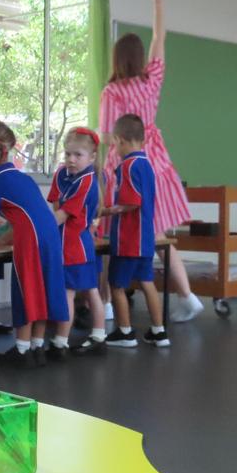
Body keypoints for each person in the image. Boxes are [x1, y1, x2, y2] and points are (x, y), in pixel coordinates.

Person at [100, 0, 204, 322]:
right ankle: (187, 295)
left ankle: (109, 303)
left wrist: (104, 178)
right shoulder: (151, 81)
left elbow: (105, 135)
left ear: (116, 59)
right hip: (156, 160)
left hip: (126, 164)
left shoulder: (112, 93)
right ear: (140, 57)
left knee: (111, 234)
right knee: (158, 236)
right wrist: (157, 0)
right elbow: (160, 36)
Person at [0, 121, 68, 368]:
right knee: (43, 288)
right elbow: (23, 217)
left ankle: (23, 350)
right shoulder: (22, 178)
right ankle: (37, 347)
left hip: (31, 240)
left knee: (27, 288)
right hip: (49, 234)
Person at [99, 113, 170, 349]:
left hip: (130, 240)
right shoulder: (147, 165)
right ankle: (159, 331)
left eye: (114, 144)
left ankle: (125, 332)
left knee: (117, 284)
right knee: (147, 282)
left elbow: (133, 201)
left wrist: (108, 211)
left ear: (120, 140)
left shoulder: (127, 166)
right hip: (145, 239)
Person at [48, 127, 105, 357]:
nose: (71, 159)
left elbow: (61, 215)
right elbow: (54, 202)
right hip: (72, 245)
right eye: (67, 154)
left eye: (78, 155)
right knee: (90, 291)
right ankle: (98, 336)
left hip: (74, 247)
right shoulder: (63, 173)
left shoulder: (86, 182)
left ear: (91, 157)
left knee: (71, 293)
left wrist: (38, 230)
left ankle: (60, 342)